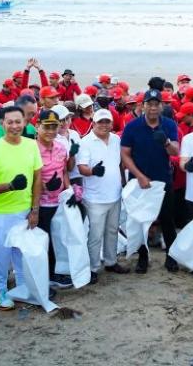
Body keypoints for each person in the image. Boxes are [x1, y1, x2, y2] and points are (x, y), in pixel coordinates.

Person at [0, 105, 43, 310]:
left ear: (25, 122)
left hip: (24, 210)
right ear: (2, 124)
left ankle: (23, 287)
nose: (15, 126)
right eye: (10, 122)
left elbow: (37, 178)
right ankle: (0, 290)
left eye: (18, 121)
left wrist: (34, 209)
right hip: (0, 213)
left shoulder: (31, 145)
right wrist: (9, 186)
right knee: (1, 254)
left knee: (22, 253)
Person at [120, 89, 180, 273]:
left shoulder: (169, 125)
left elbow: (175, 151)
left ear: (162, 106)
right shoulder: (132, 126)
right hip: (139, 181)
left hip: (163, 180)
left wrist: (166, 143)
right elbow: (125, 155)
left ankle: (171, 256)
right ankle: (143, 257)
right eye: (149, 104)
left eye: (156, 104)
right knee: (140, 220)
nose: (153, 108)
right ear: (142, 105)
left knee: (167, 219)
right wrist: (139, 175)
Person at [78, 108, 128, 282]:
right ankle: (92, 267)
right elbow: (81, 167)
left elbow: (120, 163)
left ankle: (111, 261)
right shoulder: (86, 142)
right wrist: (93, 171)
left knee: (112, 230)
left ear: (111, 123)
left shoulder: (116, 139)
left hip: (114, 194)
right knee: (95, 234)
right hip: (95, 198)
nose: (104, 125)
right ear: (94, 123)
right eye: (101, 122)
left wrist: (123, 181)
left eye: (107, 122)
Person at [33, 109, 75, 288]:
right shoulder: (31, 149)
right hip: (40, 204)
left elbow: (64, 170)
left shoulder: (61, 146)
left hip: (58, 202)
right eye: (47, 127)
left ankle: (56, 272)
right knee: (45, 240)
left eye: (54, 127)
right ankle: (48, 275)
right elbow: (29, 177)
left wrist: (69, 190)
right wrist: (44, 186)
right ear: (37, 127)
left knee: (59, 239)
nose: (51, 131)